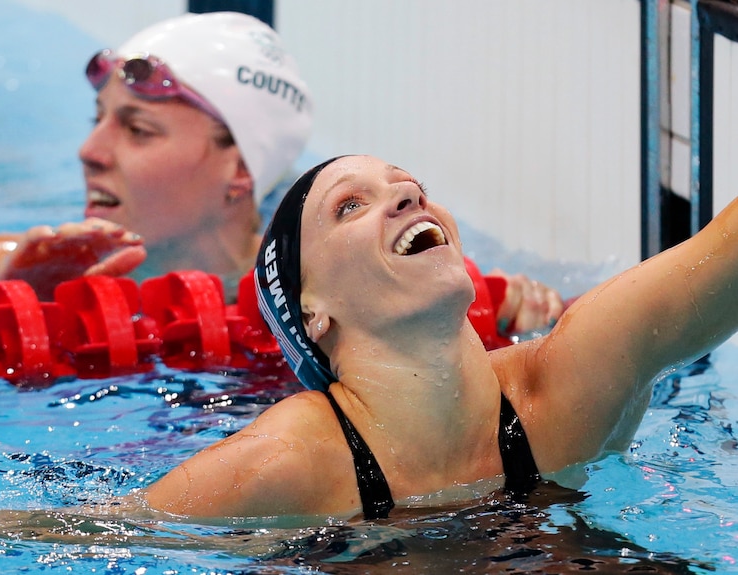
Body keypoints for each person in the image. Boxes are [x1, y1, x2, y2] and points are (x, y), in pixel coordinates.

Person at [132, 154, 738, 522]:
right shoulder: (289, 464)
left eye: (407, 184)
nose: (408, 195)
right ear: (313, 311)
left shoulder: (566, 391)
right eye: (349, 207)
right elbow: (74, 535)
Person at [0, 12, 561, 336]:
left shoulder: (340, 286)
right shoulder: (4, 264)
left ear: (239, 170)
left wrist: (519, 317)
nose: (89, 149)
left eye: (137, 129)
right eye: (98, 117)